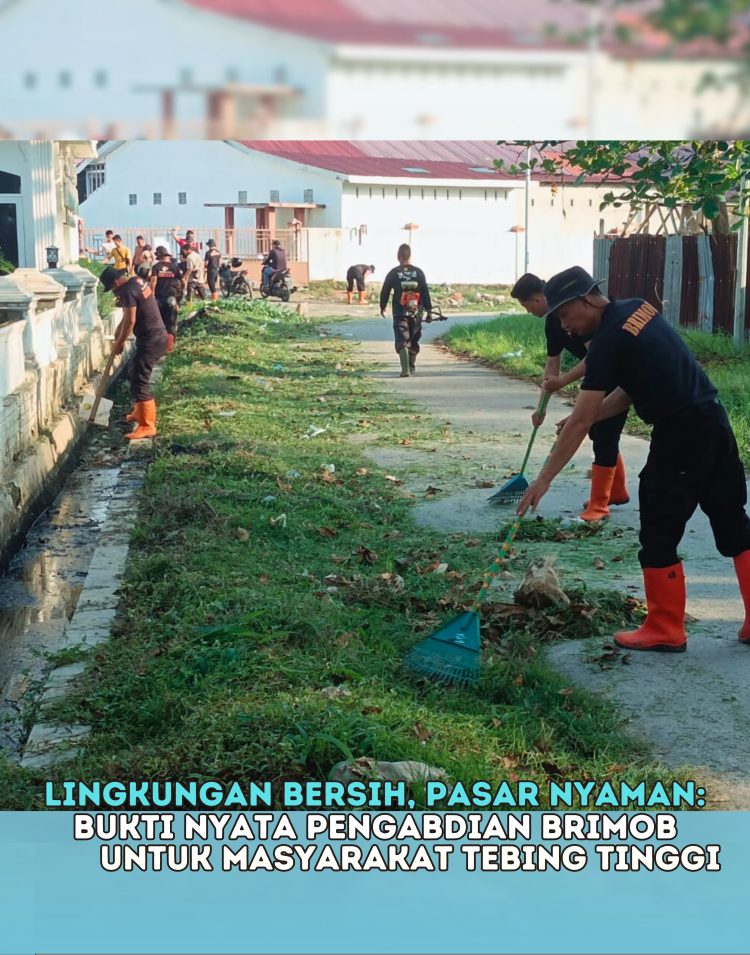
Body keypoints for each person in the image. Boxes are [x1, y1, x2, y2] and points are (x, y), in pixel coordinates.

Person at [517, 265, 750, 654]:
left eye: (564, 314)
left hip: (680, 435)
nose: (565, 326)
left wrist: (543, 480)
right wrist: (579, 417)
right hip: (713, 420)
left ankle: (664, 627)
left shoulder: (607, 340)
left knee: (658, 528)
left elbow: (583, 420)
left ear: (588, 299)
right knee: (732, 520)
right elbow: (630, 389)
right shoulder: (638, 310)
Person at [511, 272, 630, 522]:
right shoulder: (552, 324)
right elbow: (551, 365)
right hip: (599, 378)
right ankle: (615, 491)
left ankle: (599, 504)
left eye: (525, 306)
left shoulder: (581, 316)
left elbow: (594, 357)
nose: (565, 323)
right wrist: (541, 406)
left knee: (604, 435)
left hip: (615, 378)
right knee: (598, 433)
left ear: (536, 300)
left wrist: (563, 381)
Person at [100, 265, 168, 440]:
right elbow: (127, 317)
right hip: (154, 336)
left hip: (151, 339)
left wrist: (120, 343)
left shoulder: (127, 291)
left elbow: (130, 321)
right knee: (132, 373)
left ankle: (147, 425)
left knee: (139, 381)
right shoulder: (136, 282)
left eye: (113, 289)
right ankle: (139, 412)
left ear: (116, 282)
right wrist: (117, 334)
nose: (114, 294)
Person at [379, 244, 432, 377]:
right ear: (410, 256)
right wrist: (429, 310)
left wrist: (382, 306)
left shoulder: (394, 273)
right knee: (414, 338)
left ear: (398, 256)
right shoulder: (418, 272)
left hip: (399, 311)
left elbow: (385, 290)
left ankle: (405, 369)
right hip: (417, 312)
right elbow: (425, 291)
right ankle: (412, 366)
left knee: (402, 337)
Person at [150, 246, 182, 352]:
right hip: (171, 298)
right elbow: (181, 282)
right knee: (171, 323)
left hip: (158, 299)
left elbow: (153, 282)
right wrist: (178, 300)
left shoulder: (155, 267)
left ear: (159, 256)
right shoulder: (174, 267)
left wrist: (152, 296)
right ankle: (169, 347)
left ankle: (160, 347)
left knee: (160, 323)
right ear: (167, 256)